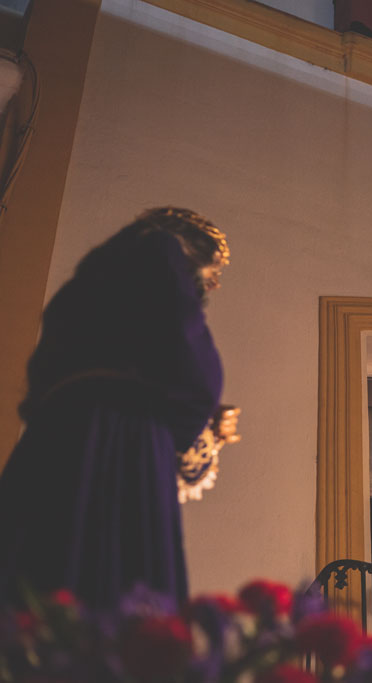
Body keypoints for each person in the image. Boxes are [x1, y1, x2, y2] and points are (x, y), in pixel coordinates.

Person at [0, 207, 234, 608]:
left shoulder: (91, 280)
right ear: (187, 248)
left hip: (50, 439)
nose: (212, 285)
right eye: (212, 270)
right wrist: (195, 420)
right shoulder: (160, 251)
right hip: (124, 441)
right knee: (112, 576)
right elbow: (193, 369)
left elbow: (40, 383)